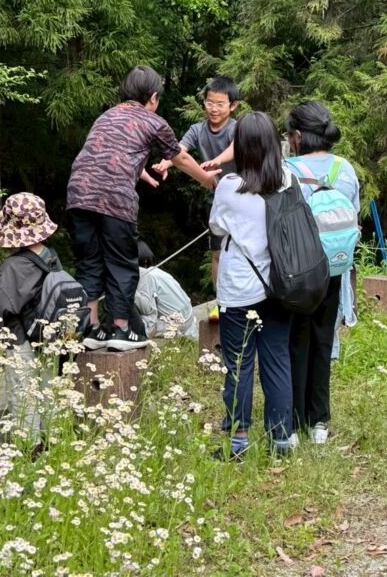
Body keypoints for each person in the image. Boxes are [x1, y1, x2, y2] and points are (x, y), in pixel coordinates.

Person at [66, 66, 217, 352]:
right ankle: (121, 329)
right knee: (122, 263)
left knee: (90, 261)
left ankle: (90, 328)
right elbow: (181, 158)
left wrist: (139, 172)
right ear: (154, 97)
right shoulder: (153, 121)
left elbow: (106, 155)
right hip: (114, 198)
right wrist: (207, 180)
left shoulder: (106, 116)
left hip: (78, 194)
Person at [209, 112, 297, 459]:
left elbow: (217, 227)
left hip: (240, 290)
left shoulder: (229, 187)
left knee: (239, 365)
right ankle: (281, 440)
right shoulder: (288, 181)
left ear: (241, 147)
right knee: (277, 360)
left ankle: (238, 442)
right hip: (280, 286)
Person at [285, 102, 361, 444]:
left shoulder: (287, 170)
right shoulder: (345, 169)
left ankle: (294, 420)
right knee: (323, 339)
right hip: (335, 267)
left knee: (295, 341)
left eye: (289, 134)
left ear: (299, 137)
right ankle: (319, 421)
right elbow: (353, 216)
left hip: (299, 272)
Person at [0, 192, 62, 447]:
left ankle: (30, 448)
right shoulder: (51, 257)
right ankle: (53, 443)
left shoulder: (13, 266)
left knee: (23, 395)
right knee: (48, 391)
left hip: (20, 340)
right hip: (49, 337)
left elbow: (2, 305)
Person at [153, 77, 240, 288]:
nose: (214, 109)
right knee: (217, 252)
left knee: (241, 249)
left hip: (241, 196)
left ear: (233, 106)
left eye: (220, 104)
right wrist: (165, 163)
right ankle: (220, 299)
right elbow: (179, 150)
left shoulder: (237, 128)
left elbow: (236, 147)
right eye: (210, 103)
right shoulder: (197, 130)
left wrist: (218, 160)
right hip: (216, 198)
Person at [134, 241, 198, 339]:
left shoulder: (147, 276)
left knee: (143, 325)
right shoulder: (157, 271)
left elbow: (147, 309)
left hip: (179, 324)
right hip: (189, 317)